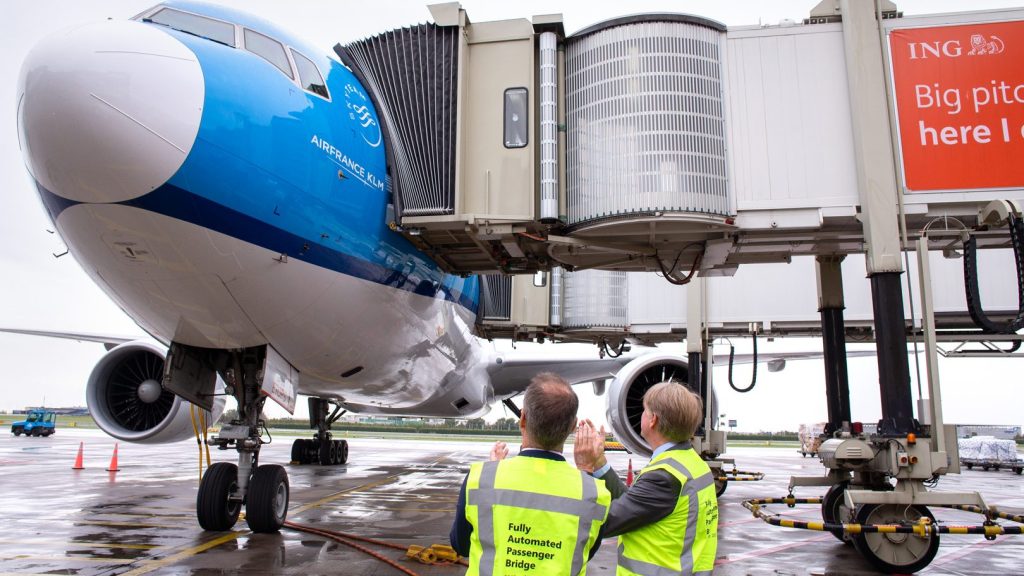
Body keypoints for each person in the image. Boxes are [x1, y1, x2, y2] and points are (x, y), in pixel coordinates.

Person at [450, 372, 611, 575]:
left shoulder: (481, 479)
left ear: (523, 418)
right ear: (572, 427)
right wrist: (585, 475)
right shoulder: (594, 493)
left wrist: (493, 474)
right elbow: (583, 551)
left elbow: (461, 546)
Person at [574, 381, 718, 575]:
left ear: (653, 420)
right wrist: (599, 462)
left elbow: (603, 523)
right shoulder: (689, 463)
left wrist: (585, 468)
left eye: (644, 410)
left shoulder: (664, 477)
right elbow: (633, 505)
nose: (641, 414)